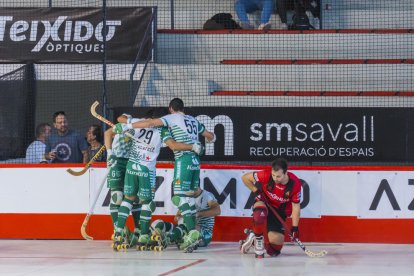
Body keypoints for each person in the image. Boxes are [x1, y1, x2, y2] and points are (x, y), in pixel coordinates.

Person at [113, 98, 215, 252]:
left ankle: (119, 232)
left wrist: (125, 125)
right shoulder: (188, 122)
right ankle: (144, 237)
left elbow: (128, 120)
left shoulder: (158, 122)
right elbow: (210, 136)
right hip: (191, 162)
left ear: (171, 109)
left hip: (134, 166)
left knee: (130, 199)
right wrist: (201, 143)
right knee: (184, 197)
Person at [240, 158, 301, 258]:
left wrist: (295, 228)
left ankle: (254, 239)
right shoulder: (266, 175)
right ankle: (258, 239)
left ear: (286, 173)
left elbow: (296, 207)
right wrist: (256, 191)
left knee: (274, 251)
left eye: (278, 176)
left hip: (279, 212)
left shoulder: (295, 184)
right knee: (259, 214)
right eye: (273, 175)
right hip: (264, 203)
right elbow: (245, 178)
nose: (275, 178)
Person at [151, 187, 221, 249]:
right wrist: (178, 215)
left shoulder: (207, 195)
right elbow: (179, 215)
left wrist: (199, 214)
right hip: (185, 228)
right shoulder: (188, 197)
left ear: (195, 187)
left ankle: (168, 238)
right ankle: (157, 238)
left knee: (184, 222)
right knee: (157, 223)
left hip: (203, 232)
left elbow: (218, 211)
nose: (186, 192)